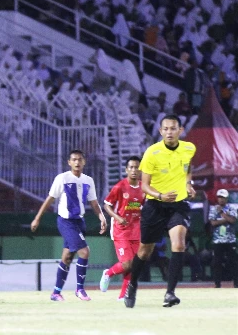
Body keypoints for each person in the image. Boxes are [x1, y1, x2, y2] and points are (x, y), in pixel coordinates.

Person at [124, 114, 196, 308]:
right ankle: (132, 284)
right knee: (145, 251)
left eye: (173, 128)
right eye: (165, 129)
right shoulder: (151, 153)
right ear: (160, 131)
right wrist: (161, 196)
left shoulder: (189, 148)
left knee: (179, 244)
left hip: (178, 205)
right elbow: (144, 186)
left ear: (180, 130)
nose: (169, 132)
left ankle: (170, 293)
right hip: (155, 205)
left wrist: (189, 184)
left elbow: (188, 168)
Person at [30, 149, 108, 301]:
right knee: (84, 252)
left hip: (80, 221)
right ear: (69, 162)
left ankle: (55, 293)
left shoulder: (88, 180)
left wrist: (101, 217)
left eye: (80, 159)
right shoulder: (62, 178)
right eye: (74, 159)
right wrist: (37, 218)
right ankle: (80, 290)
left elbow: (93, 203)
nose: (77, 162)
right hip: (66, 221)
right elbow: (50, 199)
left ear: (84, 162)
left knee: (67, 257)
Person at [100, 156, 144, 300]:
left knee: (133, 264)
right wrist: (117, 217)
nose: (134, 170)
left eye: (136, 167)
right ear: (126, 170)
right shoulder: (120, 186)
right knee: (127, 263)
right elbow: (107, 205)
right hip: (121, 230)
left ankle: (122, 296)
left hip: (136, 230)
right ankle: (108, 273)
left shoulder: (144, 188)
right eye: (131, 167)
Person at [208, 189, 238, 288]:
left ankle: (236, 283)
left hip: (230, 240)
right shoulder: (213, 209)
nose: (221, 199)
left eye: (223, 197)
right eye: (219, 197)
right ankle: (217, 284)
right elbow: (213, 223)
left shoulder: (232, 208)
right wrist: (226, 219)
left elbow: (233, 220)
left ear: (226, 198)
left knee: (233, 262)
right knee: (217, 262)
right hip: (218, 240)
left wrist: (221, 214)